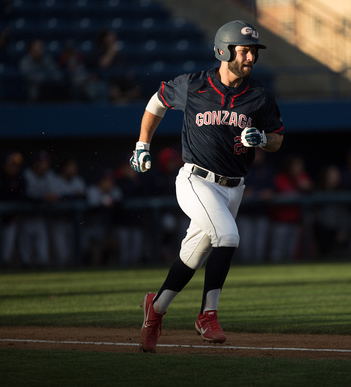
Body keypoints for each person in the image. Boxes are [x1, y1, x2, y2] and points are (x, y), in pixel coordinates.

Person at [128, 20, 284, 352]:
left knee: (191, 257)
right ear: (224, 50)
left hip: (234, 187)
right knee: (228, 237)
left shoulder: (259, 96)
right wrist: (142, 145)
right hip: (196, 179)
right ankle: (207, 314)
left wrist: (263, 139)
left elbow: (277, 140)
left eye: (253, 52)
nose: (251, 58)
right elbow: (156, 103)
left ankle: (154, 310)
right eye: (244, 51)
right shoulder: (194, 84)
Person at [269, 154, 313, 262]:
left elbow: (310, 188)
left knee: (292, 252)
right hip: (280, 221)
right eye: (295, 166)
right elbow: (279, 193)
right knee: (277, 252)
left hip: (296, 221)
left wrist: (306, 187)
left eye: (300, 166)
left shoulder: (302, 177)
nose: (298, 168)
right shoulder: (280, 178)